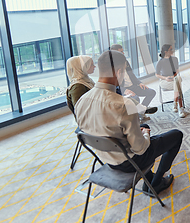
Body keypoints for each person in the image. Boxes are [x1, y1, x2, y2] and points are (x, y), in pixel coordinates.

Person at [75, 50, 183, 197]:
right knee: (176, 135)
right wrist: (145, 135)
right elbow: (140, 149)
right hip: (129, 162)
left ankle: (149, 178)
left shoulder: (81, 101)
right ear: (119, 72)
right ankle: (156, 183)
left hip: (105, 158)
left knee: (144, 126)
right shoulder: (124, 104)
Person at [110, 44, 157, 113]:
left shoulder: (125, 61)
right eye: (121, 52)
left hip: (133, 86)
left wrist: (139, 83)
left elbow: (131, 74)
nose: (123, 53)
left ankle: (141, 110)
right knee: (135, 99)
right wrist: (125, 90)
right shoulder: (111, 66)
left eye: (123, 51)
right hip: (123, 89)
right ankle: (140, 111)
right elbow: (113, 83)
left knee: (151, 92)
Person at [156, 44, 186, 118]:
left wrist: (173, 76)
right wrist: (165, 78)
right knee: (178, 85)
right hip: (164, 81)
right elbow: (157, 74)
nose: (173, 51)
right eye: (171, 49)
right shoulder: (160, 62)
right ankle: (180, 108)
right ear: (166, 52)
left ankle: (176, 104)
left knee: (178, 79)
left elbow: (177, 70)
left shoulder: (175, 59)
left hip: (174, 79)